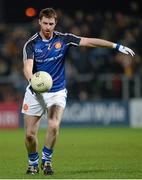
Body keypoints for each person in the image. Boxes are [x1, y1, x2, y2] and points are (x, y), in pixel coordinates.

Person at [21, 7, 135, 175]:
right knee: (30, 135)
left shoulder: (64, 39)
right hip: (35, 91)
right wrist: (32, 81)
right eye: (44, 23)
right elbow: (27, 67)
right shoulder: (31, 44)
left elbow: (89, 42)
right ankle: (33, 162)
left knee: (53, 125)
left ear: (55, 23)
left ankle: (46, 161)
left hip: (57, 91)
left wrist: (116, 46)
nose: (47, 27)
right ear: (39, 22)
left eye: (50, 23)